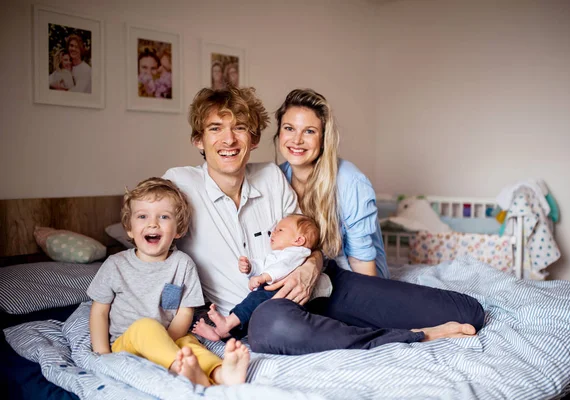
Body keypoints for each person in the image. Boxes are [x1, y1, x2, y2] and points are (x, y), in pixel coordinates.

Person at [163, 86, 484, 356]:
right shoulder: (179, 185)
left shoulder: (273, 177)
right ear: (198, 140)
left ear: (256, 137)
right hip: (261, 311)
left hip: (322, 284)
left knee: (469, 312)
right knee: (273, 327)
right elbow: (154, 256)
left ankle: (359, 322)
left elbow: (311, 245)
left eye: (240, 128)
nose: (228, 140)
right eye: (215, 128)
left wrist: (310, 267)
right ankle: (413, 337)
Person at [87, 177, 249, 387]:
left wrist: (167, 339)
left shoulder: (182, 264)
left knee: (191, 344)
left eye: (164, 217)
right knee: (146, 326)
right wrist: (103, 354)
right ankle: (182, 372)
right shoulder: (115, 265)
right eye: (142, 216)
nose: (152, 223)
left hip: (171, 337)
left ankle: (219, 374)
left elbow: (184, 312)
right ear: (129, 228)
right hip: (126, 344)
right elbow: (99, 311)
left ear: (178, 229)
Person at [274, 88, 389, 278]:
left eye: (309, 131)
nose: (297, 140)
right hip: (310, 280)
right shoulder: (276, 178)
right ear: (279, 132)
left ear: (323, 138)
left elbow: (362, 265)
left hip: (355, 279)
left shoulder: (351, 182)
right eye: (289, 128)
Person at [192, 213, 322, 341]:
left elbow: (284, 267)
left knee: (253, 300)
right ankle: (222, 333)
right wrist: (250, 267)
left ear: (298, 240)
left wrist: (264, 277)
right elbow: (264, 265)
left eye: (280, 230)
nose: (273, 232)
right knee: (252, 315)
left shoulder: (297, 252)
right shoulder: (279, 254)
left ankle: (227, 323)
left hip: (282, 291)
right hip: (274, 291)